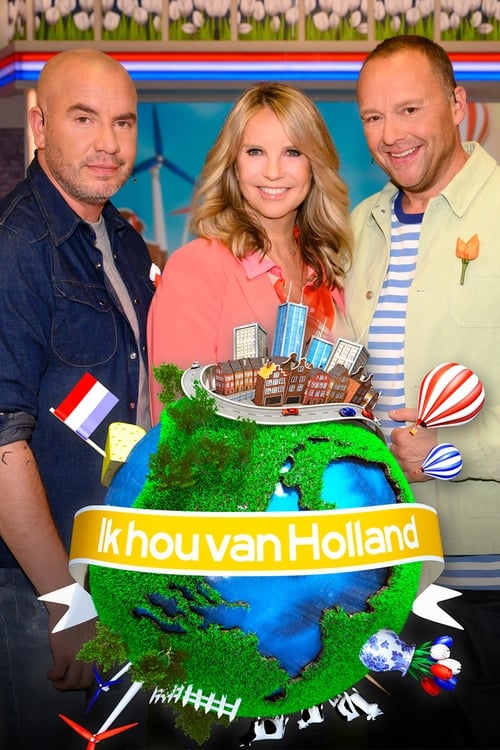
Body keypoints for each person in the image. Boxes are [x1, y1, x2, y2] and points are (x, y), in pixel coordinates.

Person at [346, 34, 500, 749]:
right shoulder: (360, 228)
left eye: (409, 109)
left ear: (458, 104)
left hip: (485, 586)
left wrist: (450, 454)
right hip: (386, 580)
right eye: (373, 117)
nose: (391, 134)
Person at [0, 49, 155, 749]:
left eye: (123, 122)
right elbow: (3, 439)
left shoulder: (121, 240)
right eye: (84, 118)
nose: (109, 143)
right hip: (37, 593)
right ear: (39, 125)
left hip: (113, 575)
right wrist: (65, 602)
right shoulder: (18, 245)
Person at [147, 82, 354, 424]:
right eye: (255, 151)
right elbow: (180, 418)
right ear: (233, 163)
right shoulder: (196, 268)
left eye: (292, 152)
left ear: (314, 163)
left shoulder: (327, 268)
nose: (273, 171)